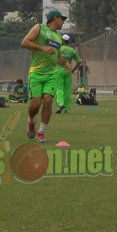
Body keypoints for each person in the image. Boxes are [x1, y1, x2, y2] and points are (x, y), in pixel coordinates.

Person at [21, 10, 70, 144]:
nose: (63, 21)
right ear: (55, 18)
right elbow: (24, 42)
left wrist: (65, 63)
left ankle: (41, 132)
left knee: (48, 101)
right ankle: (31, 121)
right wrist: (42, 48)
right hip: (36, 73)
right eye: (62, 19)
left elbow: (56, 56)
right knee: (35, 105)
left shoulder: (59, 37)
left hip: (52, 74)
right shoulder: (39, 28)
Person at [55, 34, 82, 114]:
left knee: (59, 88)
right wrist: (73, 70)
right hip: (68, 71)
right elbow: (79, 61)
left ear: (63, 41)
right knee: (67, 90)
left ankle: (60, 104)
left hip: (59, 70)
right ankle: (65, 108)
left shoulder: (58, 49)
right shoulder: (72, 50)